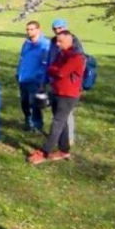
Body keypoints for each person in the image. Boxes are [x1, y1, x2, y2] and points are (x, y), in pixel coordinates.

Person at [28, 30, 85, 165]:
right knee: (62, 122)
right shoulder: (62, 54)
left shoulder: (76, 58)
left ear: (69, 41)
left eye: (61, 42)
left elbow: (60, 72)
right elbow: (51, 68)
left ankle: (44, 152)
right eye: (57, 41)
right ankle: (64, 150)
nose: (58, 44)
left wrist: (55, 70)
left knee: (57, 123)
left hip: (68, 95)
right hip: (57, 92)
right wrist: (54, 70)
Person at [47, 18, 85, 145]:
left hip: (69, 84)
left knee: (65, 114)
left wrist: (57, 70)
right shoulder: (53, 42)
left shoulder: (74, 43)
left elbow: (75, 64)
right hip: (55, 82)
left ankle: (68, 138)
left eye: (60, 28)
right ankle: (61, 139)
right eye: (55, 29)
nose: (57, 31)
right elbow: (51, 61)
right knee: (57, 113)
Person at [17, 21, 51, 132]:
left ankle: (37, 125)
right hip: (24, 77)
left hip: (36, 80)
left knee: (34, 103)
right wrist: (18, 73)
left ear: (38, 29)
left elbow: (46, 64)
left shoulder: (45, 44)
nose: (29, 31)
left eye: (32, 29)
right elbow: (22, 59)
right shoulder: (26, 43)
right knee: (24, 102)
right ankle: (28, 120)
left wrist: (42, 80)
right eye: (27, 29)